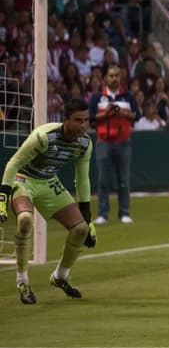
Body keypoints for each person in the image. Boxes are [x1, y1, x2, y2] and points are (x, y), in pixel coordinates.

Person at [0, 98, 98, 304]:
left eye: (86, 121)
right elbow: (13, 164)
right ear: (66, 120)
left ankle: (60, 276)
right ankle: (22, 281)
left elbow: (82, 181)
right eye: (78, 121)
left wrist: (88, 219)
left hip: (47, 182)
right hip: (23, 178)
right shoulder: (44, 137)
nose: (83, 126)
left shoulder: (84, 144)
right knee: (25, 220)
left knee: (80, 230)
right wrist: (3, 198)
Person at [88, 64, 139, 225]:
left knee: (124, 180)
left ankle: (124, 213)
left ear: (121, 77)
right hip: (104, 141)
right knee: (103, 180)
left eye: (117, 75)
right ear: (105, 78)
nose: (114, 78)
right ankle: (103, 214)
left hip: (123, 142)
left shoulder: (128, 96)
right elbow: (91, 119)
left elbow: (135, 117)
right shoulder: (97, 98)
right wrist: (106, 112)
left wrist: (123, 113)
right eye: (111, 75)